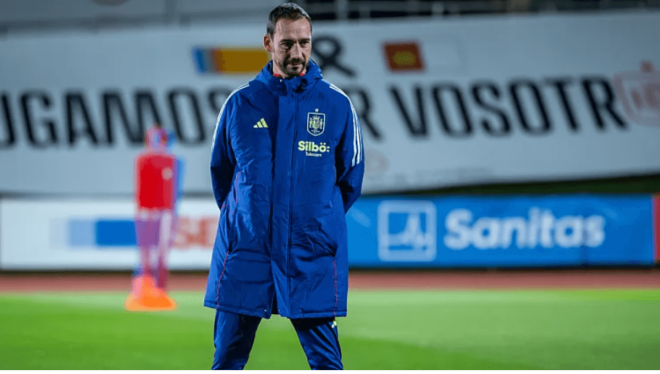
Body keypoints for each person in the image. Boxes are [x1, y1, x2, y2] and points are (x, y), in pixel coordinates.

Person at [203, 2, 364, 370]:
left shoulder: (336, 105)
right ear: (268, 42)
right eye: (287, 43)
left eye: (304, 43)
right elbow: (222, 176)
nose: (297, 52)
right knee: (226, 360)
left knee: (327, 363)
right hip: (247, 252)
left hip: (310, 256)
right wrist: (249, 217)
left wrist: (314, 220)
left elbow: (350, 178)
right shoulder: (240, 104)